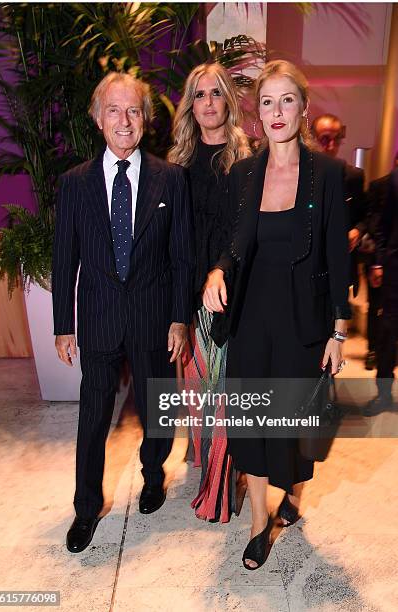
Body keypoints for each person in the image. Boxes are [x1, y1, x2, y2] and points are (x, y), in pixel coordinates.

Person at [203, 60, 350, 570]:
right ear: (258, 114)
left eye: (287, 100)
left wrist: (338, 328)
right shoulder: (245, 174)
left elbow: (337, 255)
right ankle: (260, 524)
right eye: (267, 102)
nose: (277, 111)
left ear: (303, 107)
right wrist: (218, 272)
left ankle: (294, 494)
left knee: (294, 423)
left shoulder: (327, 175)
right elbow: (234, 242)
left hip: (303, 322)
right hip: (251, 318)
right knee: (253, 422)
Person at [52, 72, 195, 553]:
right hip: (97, 319)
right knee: (93, 416)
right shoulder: (73, 184)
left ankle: (153, 475)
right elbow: (62, 258)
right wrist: (62, 325)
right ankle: (85, 508)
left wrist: (180, 317)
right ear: (97, 119)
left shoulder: (170, 179)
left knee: (158, 406)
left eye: (133, 109)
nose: (124, 119)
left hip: (154, 315)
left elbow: (182, 255)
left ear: (146, 119)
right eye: (113, 110)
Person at [168, 63, 250, 522]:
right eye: (200, 95)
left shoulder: (245, 161)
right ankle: (210, 463)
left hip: (229, 289)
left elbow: (245, 231)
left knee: (222, 389)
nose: (208, 103)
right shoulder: (176, 163)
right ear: (191, 105)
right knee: (198, 389)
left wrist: (220, 271)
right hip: (186, 291)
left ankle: (218, 485)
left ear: (227, 102)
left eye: (216, 94)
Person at [311, 113, 366, 301]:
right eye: (325, 139)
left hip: (340, 264)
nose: (331, 146)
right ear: (313, 138)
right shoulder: (299, 175)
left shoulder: (353, 176)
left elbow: (364, 216)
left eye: (337, 139)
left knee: (337, 323)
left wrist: (357, 231)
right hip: (307, 265)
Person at [363, 161, 398, 416]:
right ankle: (383, 393)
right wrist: (378, 262)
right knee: (387, 330)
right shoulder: (395, 179)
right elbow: (384, 225)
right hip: (395, 268)